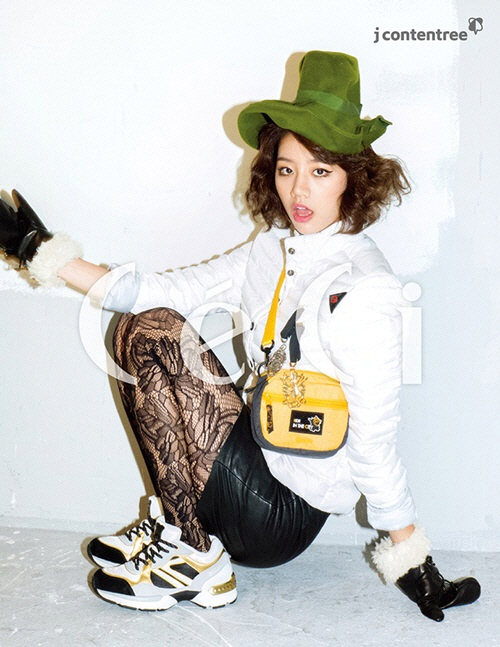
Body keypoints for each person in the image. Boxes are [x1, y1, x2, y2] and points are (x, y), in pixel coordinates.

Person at [0, 51, 480, 621]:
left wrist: (412, 558)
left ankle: (198, 558)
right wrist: (41, 252)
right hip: (251, 456)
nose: (299, 190)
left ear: (354, 177)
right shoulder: (271, 248)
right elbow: (161, 290)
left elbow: (375, 437)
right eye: (287, 168)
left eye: (320, 172)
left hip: (278, 513)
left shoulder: (366, 286)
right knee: (141, 326)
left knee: (153, 332)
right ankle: (181, 529)